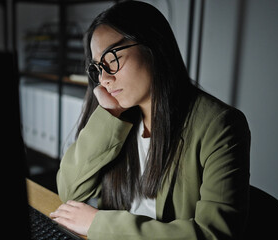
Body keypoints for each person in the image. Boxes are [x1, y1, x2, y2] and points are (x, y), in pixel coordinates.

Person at [50, 1, 251, 239]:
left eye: (112, 58)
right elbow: (70, 191)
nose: (104, 79)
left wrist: (99, 223)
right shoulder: (121, 115)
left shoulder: (220, 125)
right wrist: (109, 115)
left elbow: (214, 234)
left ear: (153, 46)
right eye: (97, 68)